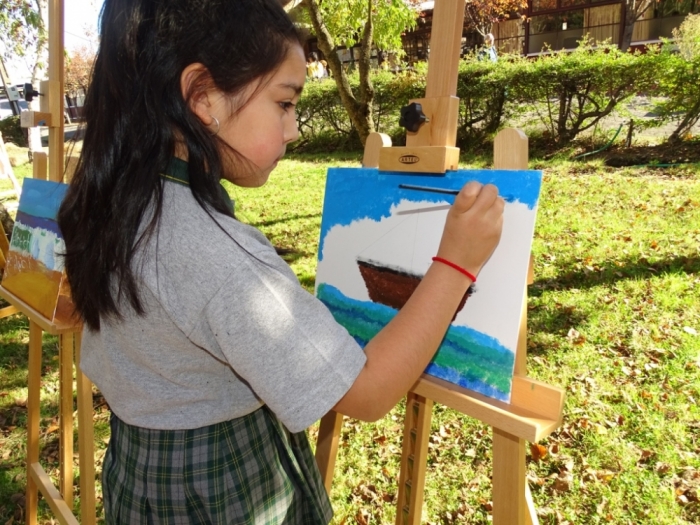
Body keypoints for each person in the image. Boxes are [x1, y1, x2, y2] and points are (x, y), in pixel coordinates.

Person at [57, 0, 504, 523]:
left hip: (143, 476)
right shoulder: (220, 257)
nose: (293, 129)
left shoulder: (115, 206)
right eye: (284, 103)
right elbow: (366, 393)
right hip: (227, 488)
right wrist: (456, 264)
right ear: (202, 97)